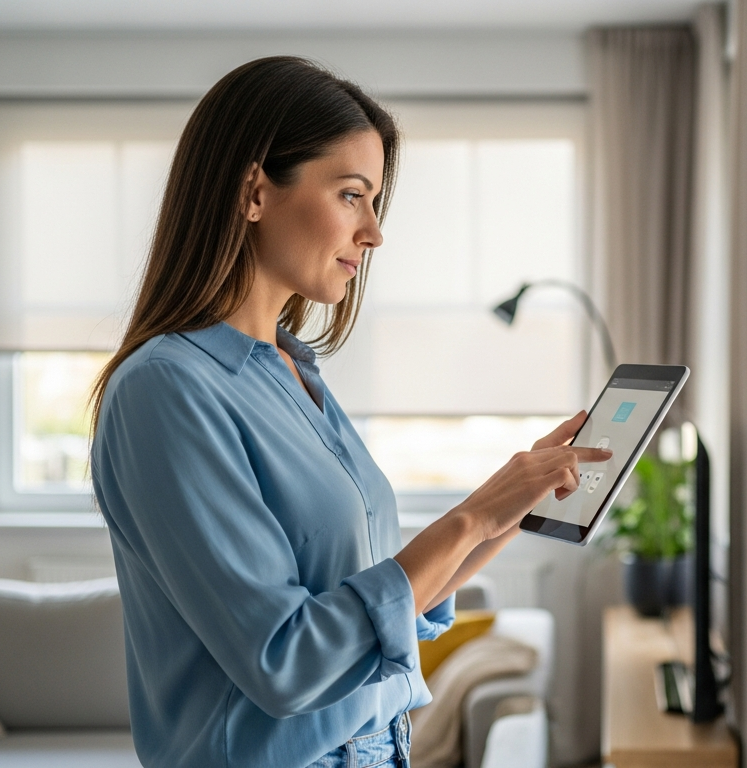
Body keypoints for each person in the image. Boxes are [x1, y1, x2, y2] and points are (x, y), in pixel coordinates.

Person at [88, 56, 610, 768]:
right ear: (253, 192)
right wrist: (472, 517)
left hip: (379, 748)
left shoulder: (293, 372)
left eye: (373, 202)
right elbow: (287, 659)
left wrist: (512, 503)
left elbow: (373, 607)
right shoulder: (166, 390)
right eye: (351, 195)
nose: (374, 232)